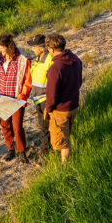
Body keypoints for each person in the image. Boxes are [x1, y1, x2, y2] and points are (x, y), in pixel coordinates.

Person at [0, 33, 32, 162]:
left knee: (17, 127)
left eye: (1, 48)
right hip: (1, 99)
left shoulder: (23, 59)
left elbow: (27, 80)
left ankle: (21, 152)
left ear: (9, 46)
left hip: (16, 99)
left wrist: (22, 96)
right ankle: (10, 149)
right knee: (5, 126)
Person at [43, 33, 83, 163]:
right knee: (66, 134)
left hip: (60, 109)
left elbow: (51, 93)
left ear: (52, 49)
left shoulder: (55, 68)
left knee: (62, 141)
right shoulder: (76, 60)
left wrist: (48, 109)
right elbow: (79, 82)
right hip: (74, 105)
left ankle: (65, 166)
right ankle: (63, 160)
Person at [26, 33, 54, 155]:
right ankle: (48, 151)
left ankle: (45, 154)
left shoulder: (50, 60)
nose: (32, 49)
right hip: (38, 99)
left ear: (42, 48)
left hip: (45, 99)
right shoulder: (38, 59)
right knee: (43, 127)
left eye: (34, 47)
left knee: (45, 128)